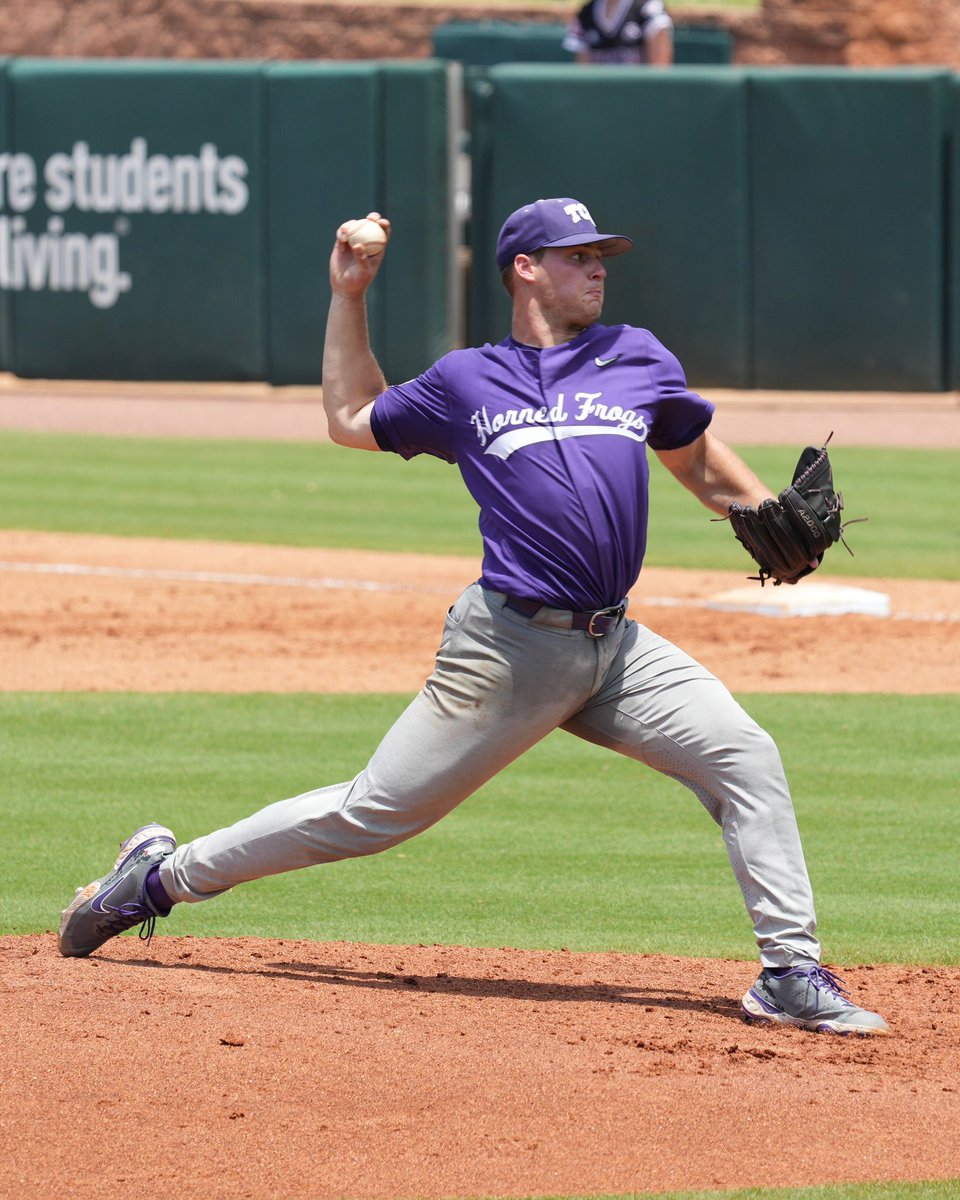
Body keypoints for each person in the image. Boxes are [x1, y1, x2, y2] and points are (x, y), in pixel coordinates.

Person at [59, 196, 889, 1037]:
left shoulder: (636, 357)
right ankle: (157, 879)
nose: (597, 268)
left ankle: (789, 972)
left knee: (745, 757)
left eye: (600, 255)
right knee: (369, 815)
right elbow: (351, 418)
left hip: (616, 648)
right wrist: (349, 294)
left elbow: (695, 459)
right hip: (508, 651)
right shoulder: (467, 380)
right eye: (576, 255)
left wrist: (764, 510)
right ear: (525, 268)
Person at [564, 0, 674, 66]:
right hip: (601, 95)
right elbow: (585, 74)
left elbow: (659, 72)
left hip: (639, 94)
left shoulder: (649, 8)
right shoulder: (586, 14)